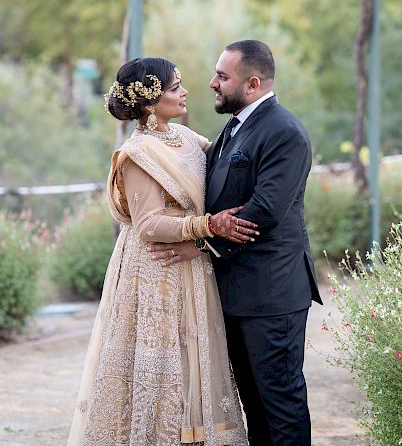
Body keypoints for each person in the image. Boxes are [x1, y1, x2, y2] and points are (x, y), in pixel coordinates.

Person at [67, 57, 256, 446]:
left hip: (192, 263)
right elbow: (149, 224)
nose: (185, 92)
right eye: (174, 88)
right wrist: (207, 226)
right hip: (155, 270)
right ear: (151, 102)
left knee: (194, 362)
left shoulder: (187, 138)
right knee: (162, 367)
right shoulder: (138, 152)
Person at [150, 40, 323, 446]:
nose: (212, 83)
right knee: (254, 402)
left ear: (253, 83)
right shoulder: (233, 127)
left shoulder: (285, 132)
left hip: (273, 292)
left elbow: (266, 209)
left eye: (223, 77)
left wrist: (203, 244)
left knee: (281, 400)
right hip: (235, 292)